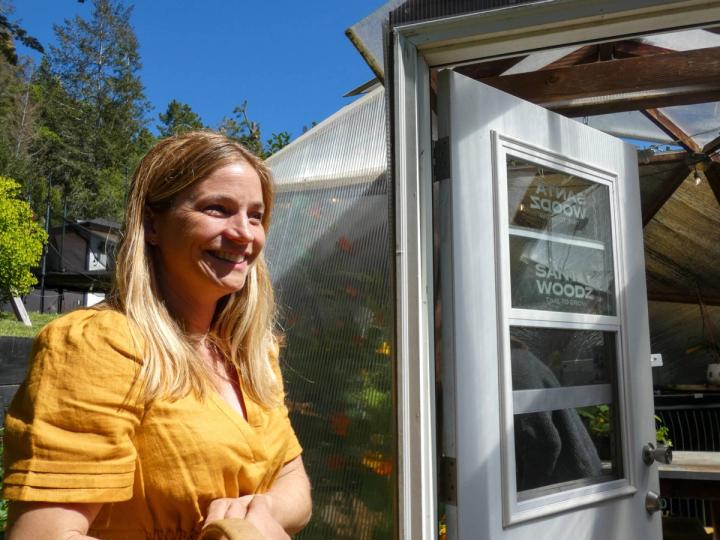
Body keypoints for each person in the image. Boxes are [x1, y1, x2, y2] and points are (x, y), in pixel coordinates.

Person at [2, 131, 312, 539]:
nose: (244, 234)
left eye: (255, 216)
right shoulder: (100, 344)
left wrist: (258, 511)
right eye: (218, 209)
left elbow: (295, 481)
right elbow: (42, 535)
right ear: (152, 223)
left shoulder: (250, 352)